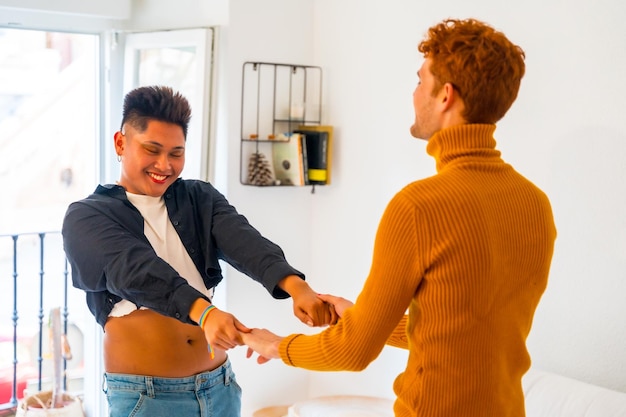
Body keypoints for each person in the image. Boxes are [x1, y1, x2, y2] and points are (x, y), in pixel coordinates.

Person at [242, 18, 557, 417]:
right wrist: (362, 316)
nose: (414, 94)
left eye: (419, 81)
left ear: (445, 96)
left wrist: (275, 345)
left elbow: (352, 352)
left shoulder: (419, 206)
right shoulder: (534, 203)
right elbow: (466, 332)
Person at [62, 85, 335, 417]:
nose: (165, 164)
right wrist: (205, 313)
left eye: (176, 153)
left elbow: (245, 242)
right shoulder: (87, 217)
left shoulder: (198, 199)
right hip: (148, 398)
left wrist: (296, 286)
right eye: (153, 149)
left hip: (219, 387)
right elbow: (137, 270)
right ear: (121, 143)